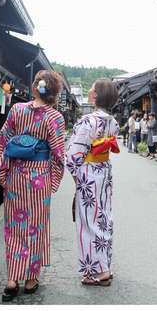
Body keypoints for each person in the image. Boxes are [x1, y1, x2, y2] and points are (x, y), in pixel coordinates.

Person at [0, 70, 65, 302]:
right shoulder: (55, 117)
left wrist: (3, 172)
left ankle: (12, 279)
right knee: (36, 226)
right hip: (39, 177)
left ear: (35, 87)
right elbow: (58, 153)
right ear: (55, 93)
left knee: (14, 226)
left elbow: (4, 140)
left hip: (15, 175)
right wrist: (53, 180)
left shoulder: (17, 110)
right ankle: (31, 278)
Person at [66, 78, 119, 286]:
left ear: (95, 95)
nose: (89, 91)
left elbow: (72, 155)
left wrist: (77, 175)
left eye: (92, 89)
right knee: (104, 219)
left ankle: (96, 271)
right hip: (104, 172)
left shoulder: (88, 121)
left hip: (88, 174)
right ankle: (105, 265)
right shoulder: (112, 121)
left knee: (88, 222)